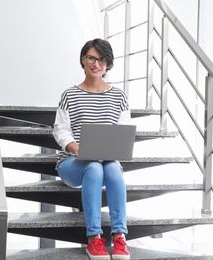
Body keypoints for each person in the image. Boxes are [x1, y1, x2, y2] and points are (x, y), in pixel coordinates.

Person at [52, 38, 131, 260]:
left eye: (102, 59)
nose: (96, 63)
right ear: (83, 60)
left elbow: (123, 131)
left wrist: (112, 151)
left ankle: (119, 238)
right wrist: (76, 147)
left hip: (106, 162)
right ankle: (94, 239)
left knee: (113, 168)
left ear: (108, 64)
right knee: (94, 168)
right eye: (91, 58)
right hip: (72, 163)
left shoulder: (119, 96)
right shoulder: (70, 95)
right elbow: (60, 130)